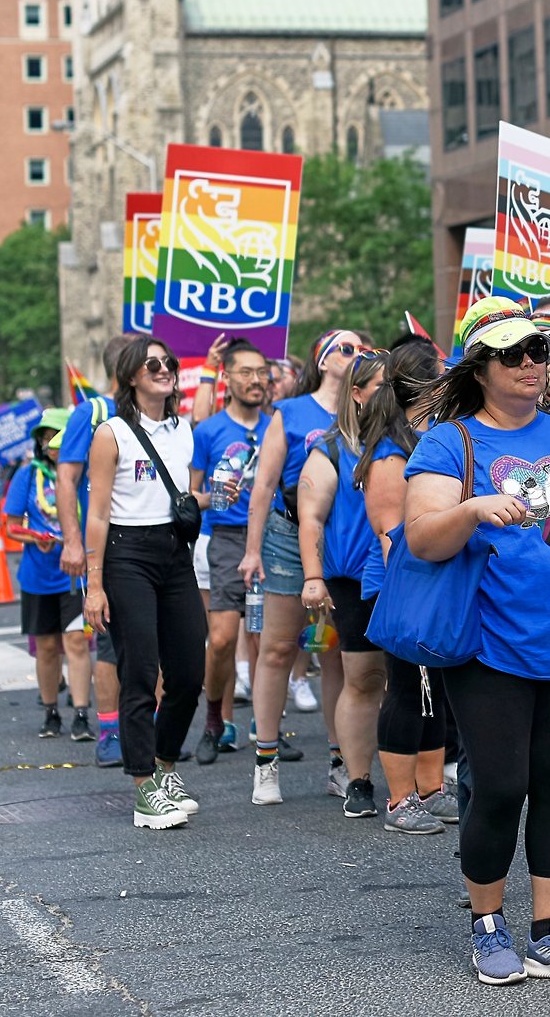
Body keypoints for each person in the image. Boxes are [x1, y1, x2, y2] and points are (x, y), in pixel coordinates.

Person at [403, 297, 550, 985]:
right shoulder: (451, 441)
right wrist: (471, 507)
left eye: (539, 351)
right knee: (501, 786)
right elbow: (421, 536)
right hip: (486, 643)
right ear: (480, 367)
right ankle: (486, 925)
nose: (533, 363)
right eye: (515, 353)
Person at [83, 335, 209, 831]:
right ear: (132, 376)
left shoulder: (184, 430)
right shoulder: (110, 433)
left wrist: (210, 497)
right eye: (152, 364)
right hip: (125, 553)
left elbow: (180, 494)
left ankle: (165, 766)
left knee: (188, 672)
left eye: (168, 362)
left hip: (174, 553)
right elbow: (96, 514)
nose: (164, 369)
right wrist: (95, 584)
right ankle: (142, 789)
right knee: (139, 671)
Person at [246, 327, 367, 802]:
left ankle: (340, 763)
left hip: (339, 540)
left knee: (334, 651)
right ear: (321, 361)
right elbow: (264, 485)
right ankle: (266, 762)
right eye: (345, 348)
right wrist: (252, 550)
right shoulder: (291, 413)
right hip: (285, 536)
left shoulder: (366, 410)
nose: (355, 354)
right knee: (277, 647)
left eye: (362, 348)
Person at [356, 340, 462, 837]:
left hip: (432, 583)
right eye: (439, 374)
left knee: (434, 690)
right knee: (405, 689)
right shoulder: (389, 454)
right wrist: (414, 600)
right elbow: (388, 533)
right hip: (403, 587)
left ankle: (431, 787)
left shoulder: (427, 439)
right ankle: (400, 800)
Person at [298, 348, 391, 820]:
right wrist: (313, 578)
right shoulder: (330, 449)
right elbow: (310, 520)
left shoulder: (412, 443)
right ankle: (357, 779)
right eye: (381, 385)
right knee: (364, 678)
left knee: (411, 683)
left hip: (405, 577)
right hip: (351, 582)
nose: (393, 393)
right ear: (356, 394)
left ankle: (418, 783)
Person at [187, 337, 272, 765]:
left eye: (261, 372)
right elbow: (191, 492)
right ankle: (214, 719)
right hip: (226, 539)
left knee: (265, 641)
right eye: (246, 372)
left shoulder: (278, 424)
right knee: (221, 640)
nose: (256, 380)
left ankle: (266, 730)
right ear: (228, 379)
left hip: (273, 538)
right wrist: (216, 495)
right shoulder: (208, 430)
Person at [60, 335, 131, 767]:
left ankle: (149, 728)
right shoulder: (91, 413)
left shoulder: (160, 412)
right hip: (106, 545)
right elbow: (66, 479)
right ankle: (109, 731)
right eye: (150, 364)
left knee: (155, 647)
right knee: (109, 644)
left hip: (155, 543)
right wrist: (73, 541)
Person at [1, 409, 91, 741]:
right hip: (38, 575)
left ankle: (82, 714)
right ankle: (51, 711)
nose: (49, 442)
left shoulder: (85, 473)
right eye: (44, 436)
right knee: (48, 647)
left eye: (57, 435)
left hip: (76, 574)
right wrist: (34, 538)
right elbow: (10, 526)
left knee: (77, 642)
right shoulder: (27, 476)